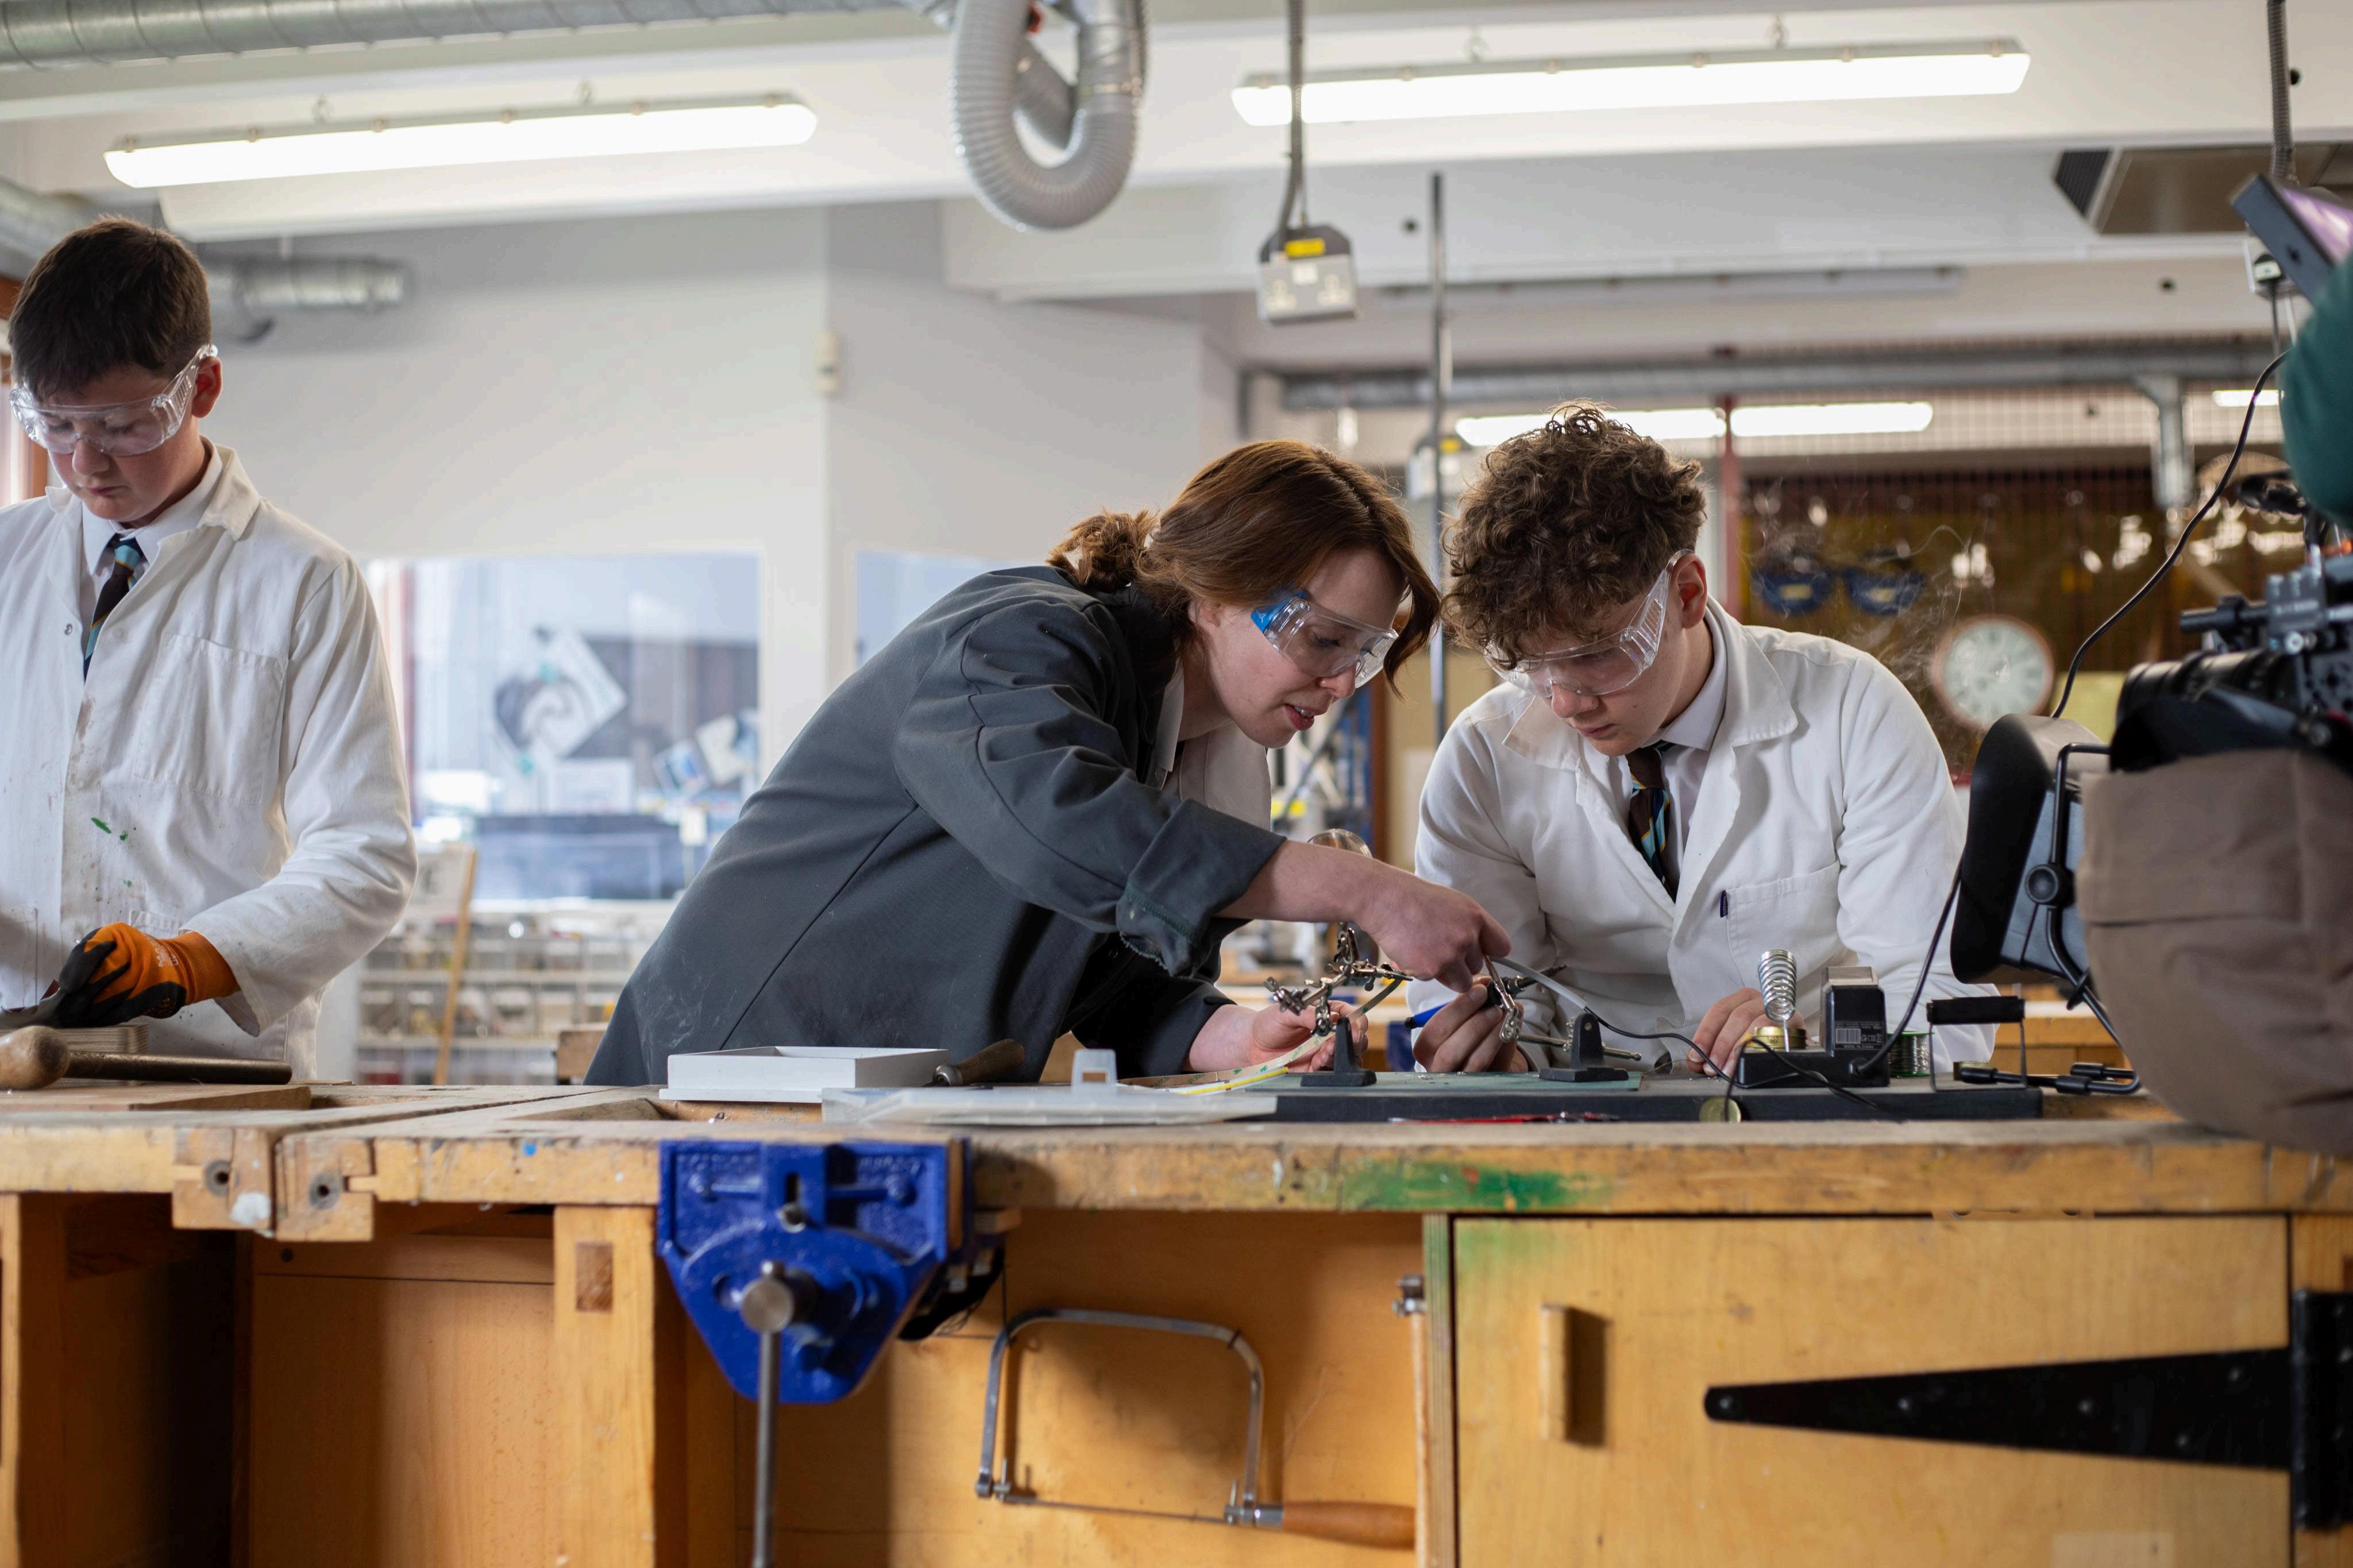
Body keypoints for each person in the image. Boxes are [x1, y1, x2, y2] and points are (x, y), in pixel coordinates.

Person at [589, 441, 1507, 1086]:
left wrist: (1228, 1033)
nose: (1340, 683)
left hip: (852, 1103)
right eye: (1322, 639)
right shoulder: (1016, 642)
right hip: (714, 1080)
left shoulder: (1173, 738)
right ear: (1214, 593)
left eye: (1362, 656)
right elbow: (1062, 827)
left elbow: (1099, 971)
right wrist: (1363, 890)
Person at [1409, 404, 1991, 1075]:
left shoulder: (1851, 712)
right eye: (1530, 665)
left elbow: (1940, 1001)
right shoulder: (1483, 760)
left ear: (1685, 593)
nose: (1564, 701)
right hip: (1576, 1117)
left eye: (1596, 655)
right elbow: (1485, 1004)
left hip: (1804, 1114)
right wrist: (1487, 1058)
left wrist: (1812, 1055)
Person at [0, 219, 416, 1073]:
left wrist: (190, 959)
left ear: (203, 387)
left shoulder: (303, 582)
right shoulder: (8, 560)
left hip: (201, 1063)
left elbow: (364, 854)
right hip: (14, 1057)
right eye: (55, 425)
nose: (86, 464)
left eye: (122, 425)